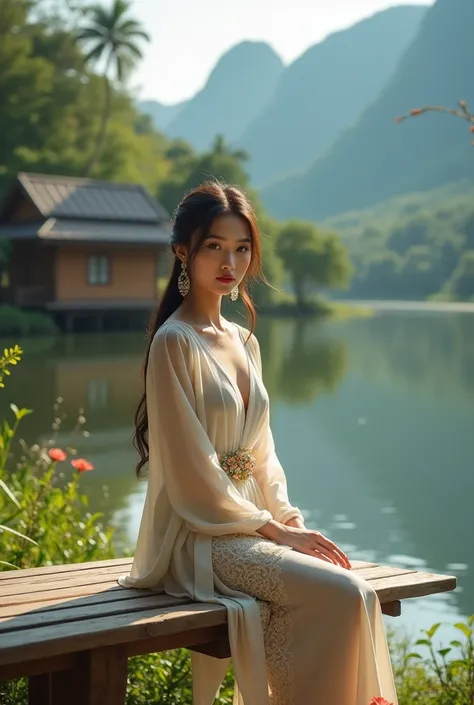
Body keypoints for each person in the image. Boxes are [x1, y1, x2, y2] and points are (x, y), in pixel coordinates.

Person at [118, 180, 398, 705]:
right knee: (346, 592)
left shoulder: (246, 340)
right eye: (214, 246)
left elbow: (263, 455)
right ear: (184, 251)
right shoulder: (173, 342)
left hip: (253, 526)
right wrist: (271, 530)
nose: (231, 262)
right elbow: (190, 471)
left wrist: (289, 521)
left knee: (355, 590)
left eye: (242, 248)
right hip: (201, 536)